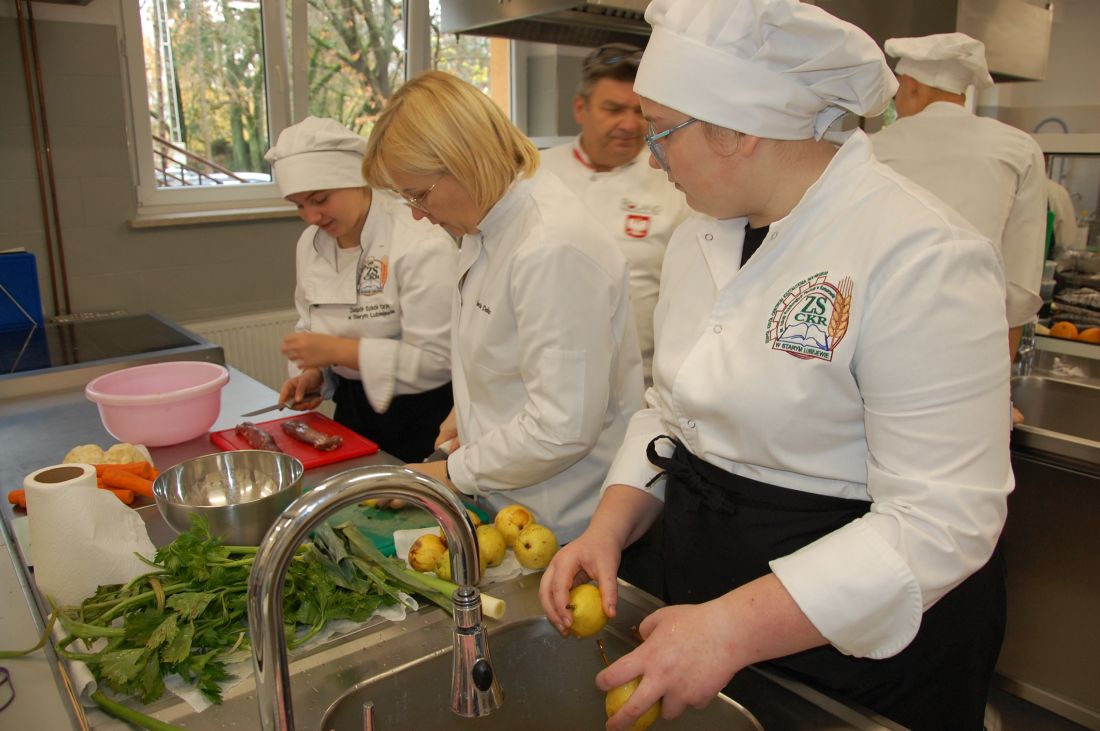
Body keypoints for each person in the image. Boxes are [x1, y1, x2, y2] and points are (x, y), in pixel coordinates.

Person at [539, 2, 1013, 730]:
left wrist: (733, 628)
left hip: (856, 640)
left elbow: (943, 518)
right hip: (709, 597)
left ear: (737, 131)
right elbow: (672, 411)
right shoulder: (701, 236)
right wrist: (609, 526)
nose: (651, 156)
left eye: (661, 130)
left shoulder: (921, 255)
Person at [362, 71, 644, 542]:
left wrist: (449, 473)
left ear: (463, 161)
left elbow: (560, 428)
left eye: (418, 194)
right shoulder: (484, 225)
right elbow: (504, 354)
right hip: (509, 498)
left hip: (565, 516)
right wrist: (469, 412)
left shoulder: (549, 248)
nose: (417, 213)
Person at [265, 116, 458, 463]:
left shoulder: (420, 243)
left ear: (356, 179)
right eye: (299, 205)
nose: (311, 217)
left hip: (425, 417)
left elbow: (438, 361)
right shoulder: (310, 244)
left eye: (320, 199)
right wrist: (315, 375)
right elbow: (309, 323)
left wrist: (337, 350)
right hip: (352, 411)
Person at [870, 33, 1047, 362]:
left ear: (911, 86)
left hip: (878, 333)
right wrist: (1001, 375)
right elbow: (1020, 284)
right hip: (972, 340)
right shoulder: (1020, 149)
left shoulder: (871, 148)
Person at [540, 43, 690, 386]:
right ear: (580, 109)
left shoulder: (677, 183)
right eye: (613, 109)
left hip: (640, 383)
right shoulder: (535, 174)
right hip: (542, 376)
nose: (629, 124)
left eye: (639, 112)